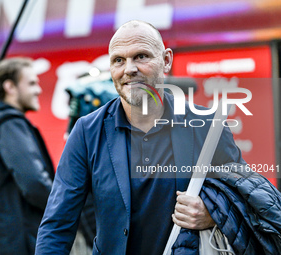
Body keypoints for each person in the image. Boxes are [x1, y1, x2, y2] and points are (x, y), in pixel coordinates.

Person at [35, 20, 281, 255]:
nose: (129, 69)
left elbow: (245, 196)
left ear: (166, 60)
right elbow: (58, 222)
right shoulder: (87, 131)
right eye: (118, 60)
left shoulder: (207, 125)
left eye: (141, 56)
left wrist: (213, 214)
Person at [0, 57, 55, 255]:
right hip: (26, 240)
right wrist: (64, 208)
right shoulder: (10, 125)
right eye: (32, 83)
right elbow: (34, 183)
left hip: (10, 239)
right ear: (10, 87)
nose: (38, 90)